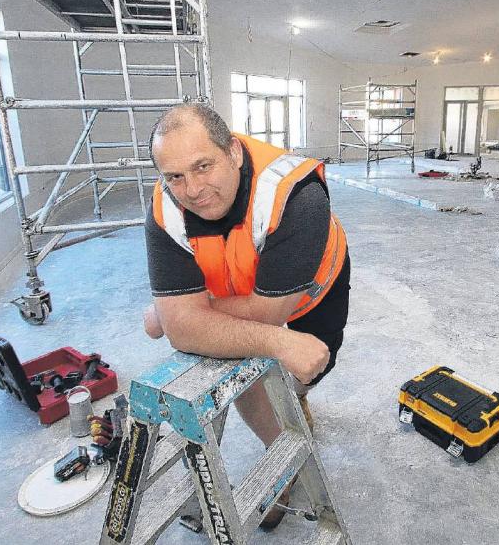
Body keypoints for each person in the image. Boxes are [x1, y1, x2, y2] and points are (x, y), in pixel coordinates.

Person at [143, 104, 350, 529]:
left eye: (203, 166)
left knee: (299, 371)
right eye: (175, 176)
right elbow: (186, 331)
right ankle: (285, 463)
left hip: (311, 298)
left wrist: (184, 313)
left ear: (234, 152)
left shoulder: (296, 197)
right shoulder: (164, 208)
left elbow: (264, 316)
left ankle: (298, 403)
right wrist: (181, 318)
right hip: (239, 285)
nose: (193, 189)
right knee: (244, 360)